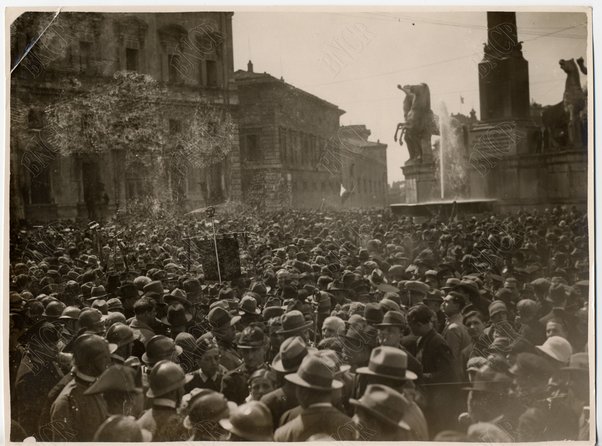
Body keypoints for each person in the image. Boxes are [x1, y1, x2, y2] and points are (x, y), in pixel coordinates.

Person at [274, 355, 357, 441]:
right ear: (330, 390)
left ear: (302, 391)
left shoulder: (284, 434)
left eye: (297, 387)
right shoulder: (350, 426)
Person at [50, 334, 113, 441]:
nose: (109, 361)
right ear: (90, 362)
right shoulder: (67, 402)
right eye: (104, 357)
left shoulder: (97, 386)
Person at [137, 360, 191, 441]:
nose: (183, 391)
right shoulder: (179, 423)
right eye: (181, 387)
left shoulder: (142, 418)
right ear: (173, 391)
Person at [221, 325, 269, 404]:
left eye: (254, 350)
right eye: (245, 351)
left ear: (264, 349)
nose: (250, 356)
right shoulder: (231, 380)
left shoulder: (274, 375)